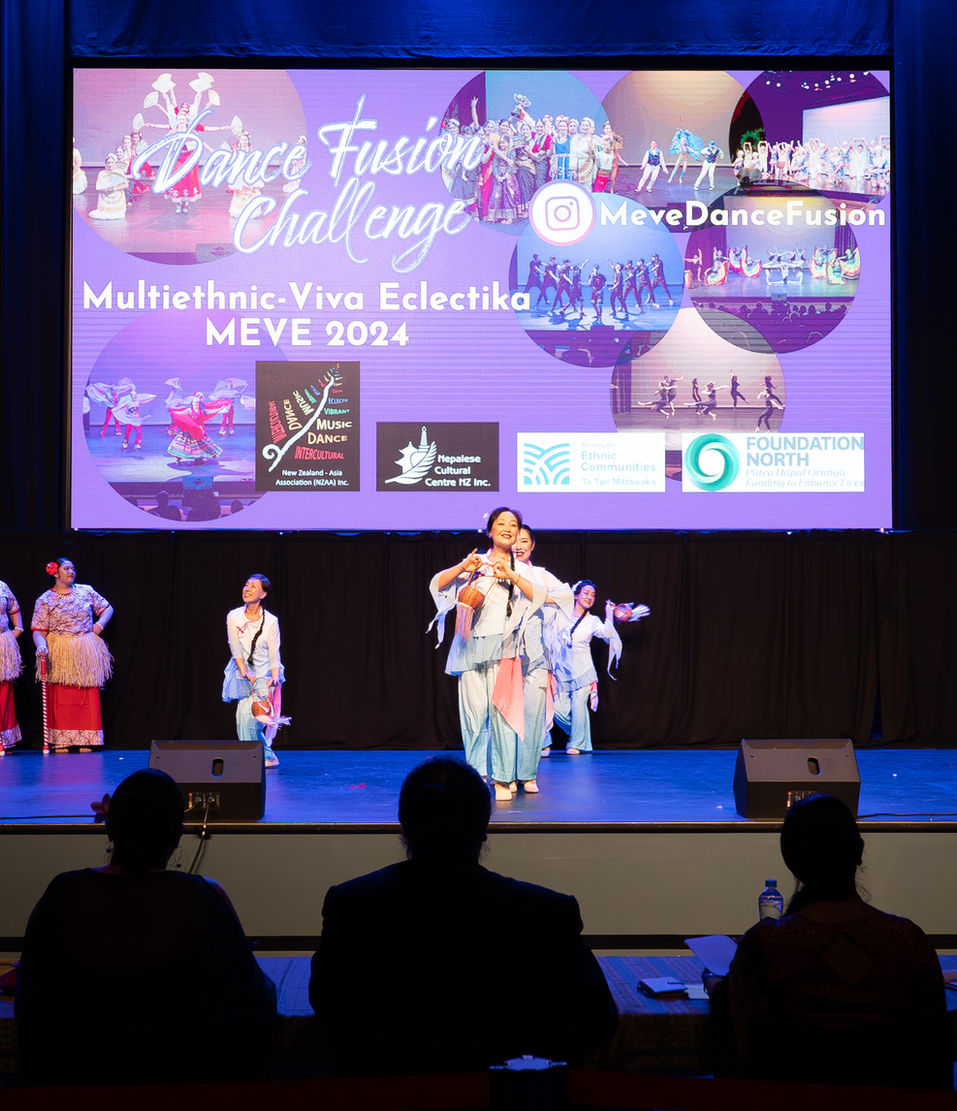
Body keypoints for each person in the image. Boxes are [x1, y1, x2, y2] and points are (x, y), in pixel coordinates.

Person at [309, 755, 618, 1076]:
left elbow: (331, 1009)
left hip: (385, 1095)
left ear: (404, 822)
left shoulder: (351, 906)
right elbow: (597, 1021)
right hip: (508, 1097)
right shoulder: (545, 913)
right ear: (484, 826)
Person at [16, 769, 277, 1086]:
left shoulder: (64, 892)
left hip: (76, 1081)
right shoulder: (204, 895)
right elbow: (255, 998)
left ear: (110, 827)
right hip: (186, 1082)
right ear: (177, 834)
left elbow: (31, 1003)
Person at [710, 794, 950, 1089]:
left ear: (791, 860)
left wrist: (717, 988)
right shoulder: (908, 942)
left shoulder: (768, 945)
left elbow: (737, 1038)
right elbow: (935, 1054)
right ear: (859, 850)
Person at [430, 508, 545, 802]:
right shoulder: (477, 561)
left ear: (518, 533)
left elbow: (540, 597)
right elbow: (438, 584)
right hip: (469, 645)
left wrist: (511, 575)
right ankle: (476, 775)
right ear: (490, 530)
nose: (507, 528)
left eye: (513, 524)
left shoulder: (524, 569)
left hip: (504, 648)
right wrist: (463, 567)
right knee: (473, 715)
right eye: (501, 523)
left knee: (502, 714)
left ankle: (503, 778)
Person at [511, 526, 574, 781]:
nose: (518, 545)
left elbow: (565, 595)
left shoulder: (540, 574)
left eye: (524, 540)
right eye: (514, 540)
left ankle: (527, 773)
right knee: (505, 709)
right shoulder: (497, 569)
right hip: (504, 649)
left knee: (533, 711)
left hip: (535, 650)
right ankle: (503, 770)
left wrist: (537, 597)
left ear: (532, 545)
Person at [31, 558, 112, 752]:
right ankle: (62, 739)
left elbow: (107, 608)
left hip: (84, 646)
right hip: (60, 649)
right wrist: (41, 646)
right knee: (62, 694)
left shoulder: (86, 591)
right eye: (66, 568)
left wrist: (99, 625)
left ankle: (87, 738)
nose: (71, 572)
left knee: (86, 691)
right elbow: (38, 631)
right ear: (55, 573)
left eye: (73, 569)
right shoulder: (45, 600)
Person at [550, 580, 620, 755]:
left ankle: (577, 743)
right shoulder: (560, 614)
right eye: (586, 593)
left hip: (583, 670)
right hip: (562, 671)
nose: (590, 597)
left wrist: (609, 613)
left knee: (579, 708)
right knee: (557, 710)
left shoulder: (592, 621)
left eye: (593, 595)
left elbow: (607, 634)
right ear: (576, 595)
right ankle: (580, 735)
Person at [222, 573, 285, 768]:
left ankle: (258, 757)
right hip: (244, 673)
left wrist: (274, 678)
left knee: (254, 721)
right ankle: (259, 757)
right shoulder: (234, 616)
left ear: (263, 594)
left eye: (253, 586)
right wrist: (244, 672)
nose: (247, 589)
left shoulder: (271, 621)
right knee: (242, 719)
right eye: (246, 585)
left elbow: (274, 653)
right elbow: (235, 647)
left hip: (265, 675)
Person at [0, 580, 24, 753]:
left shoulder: (2, 586)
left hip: (2, 643)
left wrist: (16, 632)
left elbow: (14, 609)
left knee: (3, 692)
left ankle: (5, 740)